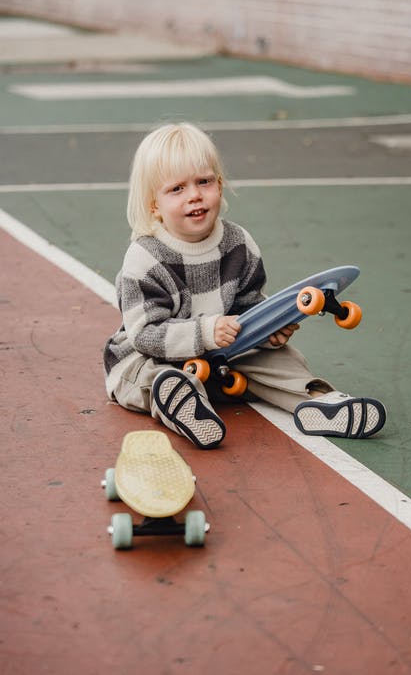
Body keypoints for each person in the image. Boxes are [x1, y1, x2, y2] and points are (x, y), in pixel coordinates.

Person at [104, 123, 386, 449]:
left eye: (203, 182)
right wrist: (205, 333)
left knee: (283, 358)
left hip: (225, 358)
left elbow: (248, 308)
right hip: (156, 356)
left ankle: (319, 401)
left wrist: (269, 333)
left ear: (219, 186)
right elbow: (145, 334)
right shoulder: (144, 257)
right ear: (154, 204)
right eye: (177, 189)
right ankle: (178, 401)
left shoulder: (238, 243)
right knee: (142, 376)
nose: (194, 194)